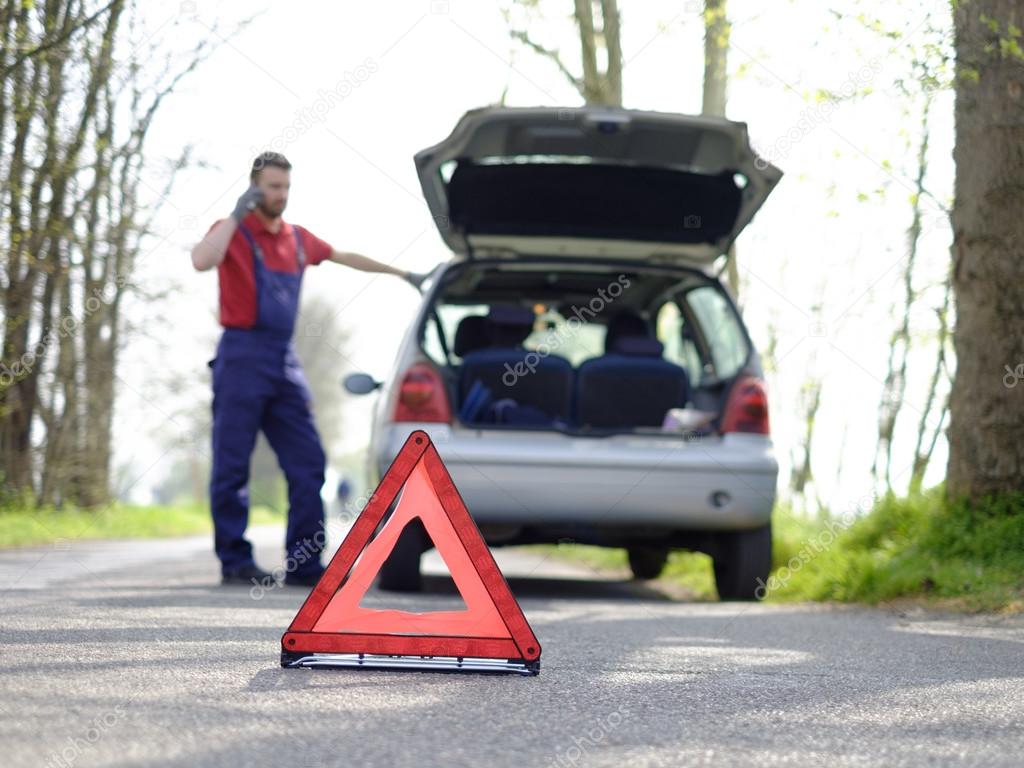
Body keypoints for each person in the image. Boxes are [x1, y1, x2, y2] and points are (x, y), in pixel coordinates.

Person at [191, 151, 428, 587]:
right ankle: (235, 561)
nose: (279, 195)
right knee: (232, 463)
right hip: (240, 355)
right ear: (254, 188)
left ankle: (304, 564)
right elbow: (202, 260)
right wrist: (233, 212)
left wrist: (406, 274)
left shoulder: (297, 240)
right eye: (271, 187)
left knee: (309, 462)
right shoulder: (232, 233)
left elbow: (344, 255)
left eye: (285, 188)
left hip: (283, 359)